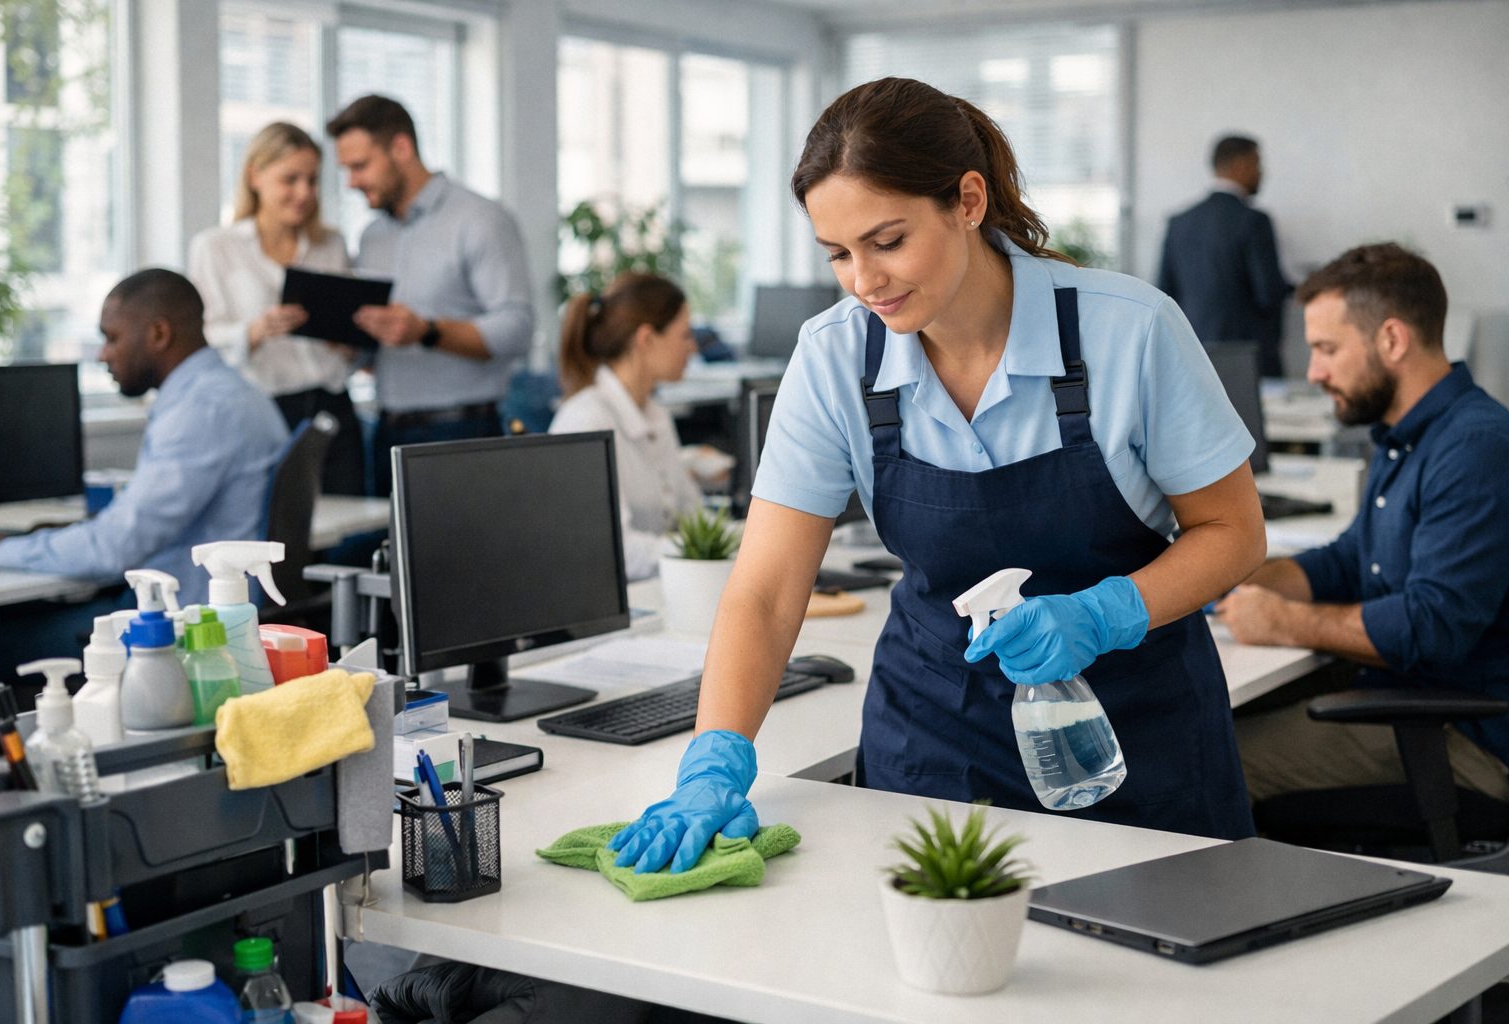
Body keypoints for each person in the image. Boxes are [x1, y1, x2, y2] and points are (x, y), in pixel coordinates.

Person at [609, 77, 1267, 875]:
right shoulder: (835, 357)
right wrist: (716, 756)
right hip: (934, 742)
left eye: (887, 242)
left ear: (967, 200)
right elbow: (767, 587)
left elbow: (1234, 533)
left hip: (1140, 738)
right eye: (838, 255)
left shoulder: (1129, 331)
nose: (863, 281)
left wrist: (1106, 611)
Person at [1219, 243, 1509, 807]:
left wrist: (1286, 623)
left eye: (1327, 349)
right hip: (1409, 701)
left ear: (1392, 340)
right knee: (1209, 729)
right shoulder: (1405, 436)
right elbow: (1355, 557)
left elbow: (1431, 626)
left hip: (1468, 739)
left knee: (1213, 766)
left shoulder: (1475, 448)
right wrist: (1252, 579)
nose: (1314, 371)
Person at [0, 270, 287, 678]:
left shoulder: (202, 409)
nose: (103, 354)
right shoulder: (232, 392)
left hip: (181, 633)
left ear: (158, 334)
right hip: (207, 618)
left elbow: (114, 549)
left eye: (113, 337)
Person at [325, 95, 533, 495]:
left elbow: (517, 328)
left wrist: (427, 331)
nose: (351, 182)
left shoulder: (479, 219)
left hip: (462, 434)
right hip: (387, 432)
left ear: (400, 148)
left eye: (360, 166)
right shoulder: (372, 237)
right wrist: (351, 344)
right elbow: (382, 348)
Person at [188, 121, 365, 495]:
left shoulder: (330, 245)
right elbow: (200, 344)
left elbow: (352, 346)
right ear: (255, 176)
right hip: (263, 411)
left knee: (351, 530)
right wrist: (253, 332)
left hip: (333, 409)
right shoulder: (216, 248)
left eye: (312, 181)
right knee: (276, 532)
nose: (304, 193)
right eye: (291, 179)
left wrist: (346, 338)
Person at [548, 274, 709, 581]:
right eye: (685, 335)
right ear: (646, 339)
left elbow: (693, 517)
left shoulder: (656, 415)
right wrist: (701, 550)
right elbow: (610, 550)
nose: (694, 348)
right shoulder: (585, 421)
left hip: (658, 591)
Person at [1158, 135, 1292, 378]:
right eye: (1257, 164)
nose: (1262, 173)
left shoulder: (1178, 223)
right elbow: (1268, 292)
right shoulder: (1254, 221)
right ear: (1240, 164)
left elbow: (1164, 291)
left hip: (1192, 353)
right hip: (1249, 357)